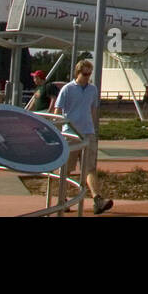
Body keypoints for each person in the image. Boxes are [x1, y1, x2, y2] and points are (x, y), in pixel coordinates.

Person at [54, 59, 112, 214]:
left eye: (89, 74)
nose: (87, 76)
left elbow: (93, 110)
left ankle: (97, 199)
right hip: (70, 134)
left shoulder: (92, 90)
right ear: (77, 73)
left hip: (87, 134)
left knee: (90, 168)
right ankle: (62, 199)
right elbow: (57, 111)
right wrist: (57, 131)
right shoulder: (67, 89)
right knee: (66, 169)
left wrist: (94, 128)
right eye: (84, 73)